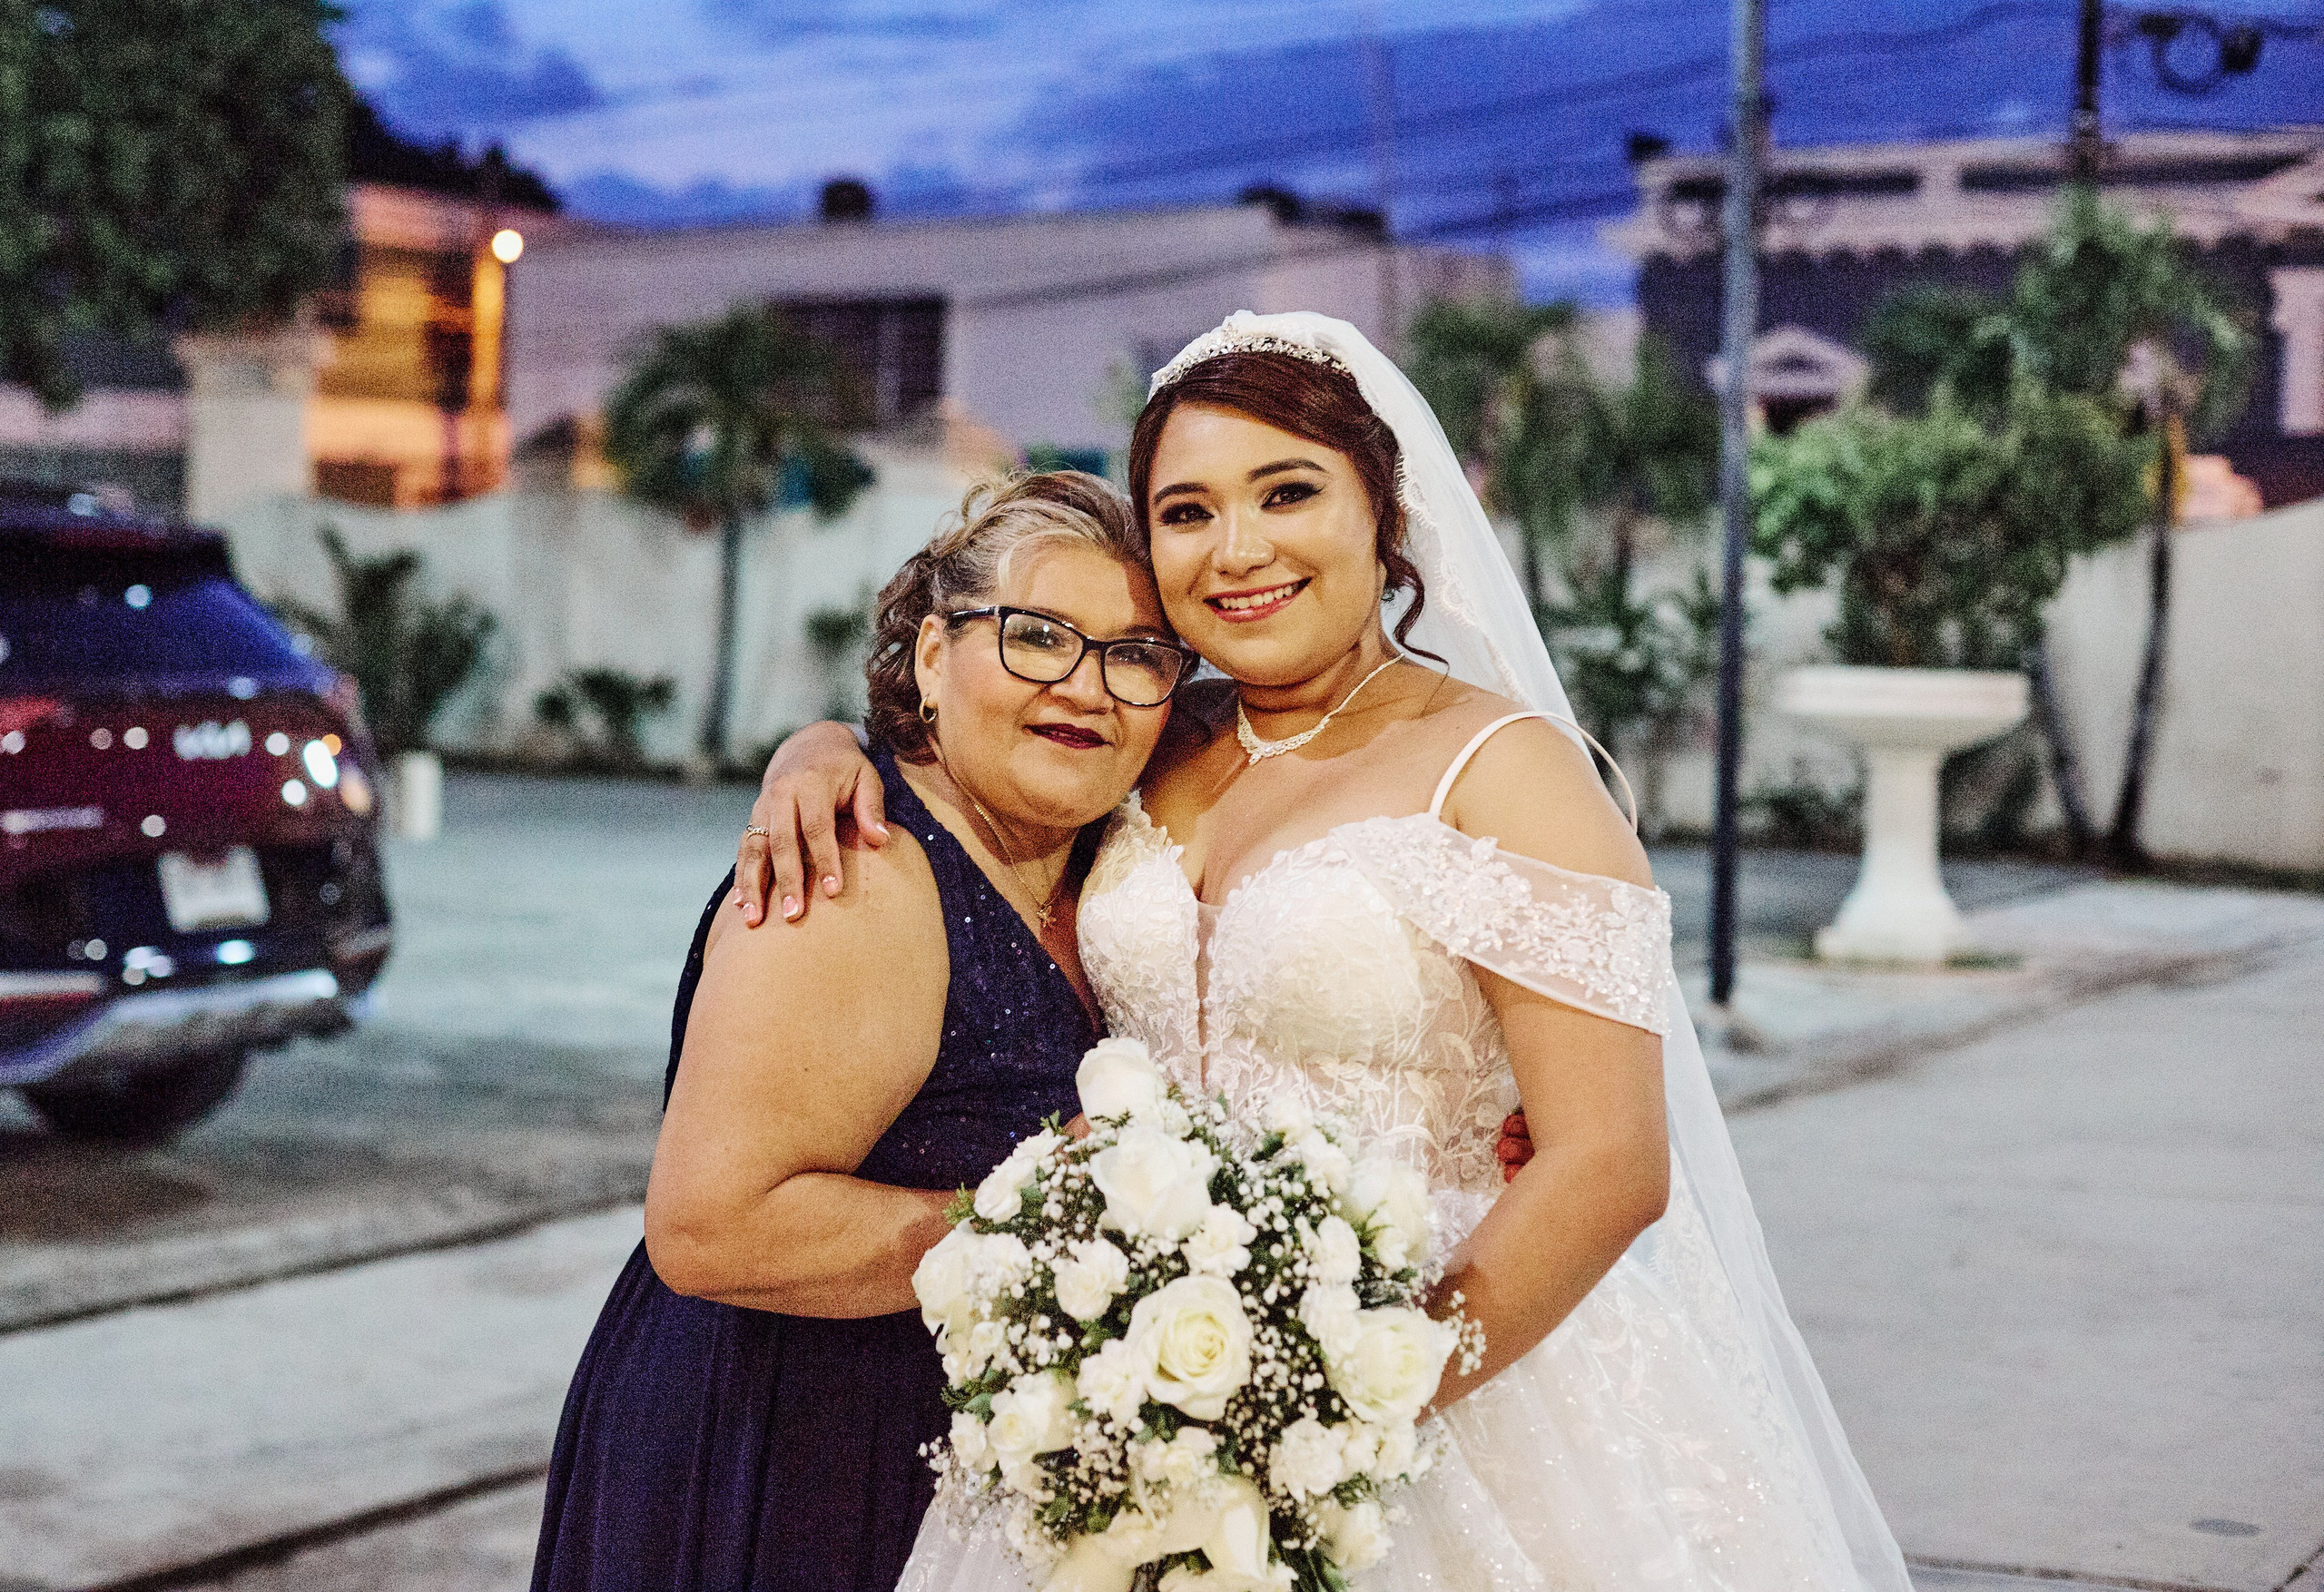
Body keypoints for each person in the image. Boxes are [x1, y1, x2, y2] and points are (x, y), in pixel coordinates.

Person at [741, 313, 1912, 1590]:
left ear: (1385, 511)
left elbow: (1612, 1161)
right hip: (1132, 1383)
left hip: (1454, 1369)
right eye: (1185, 512)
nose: (1237, 550)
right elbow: (975, 744)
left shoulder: (1506, 768)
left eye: (1287, 492)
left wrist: (1342, 1401)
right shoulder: (1149, 731)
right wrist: (823, 750)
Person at [529, 472, 1189, 1592]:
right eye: (1036, 635)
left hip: (951, 1451)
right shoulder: (858, 868)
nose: (1087, 685)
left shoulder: (1101, 859)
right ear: (933, 656)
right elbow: (712, 1226)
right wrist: (1058, 1221)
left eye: (1136, 654)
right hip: (787, 1442)